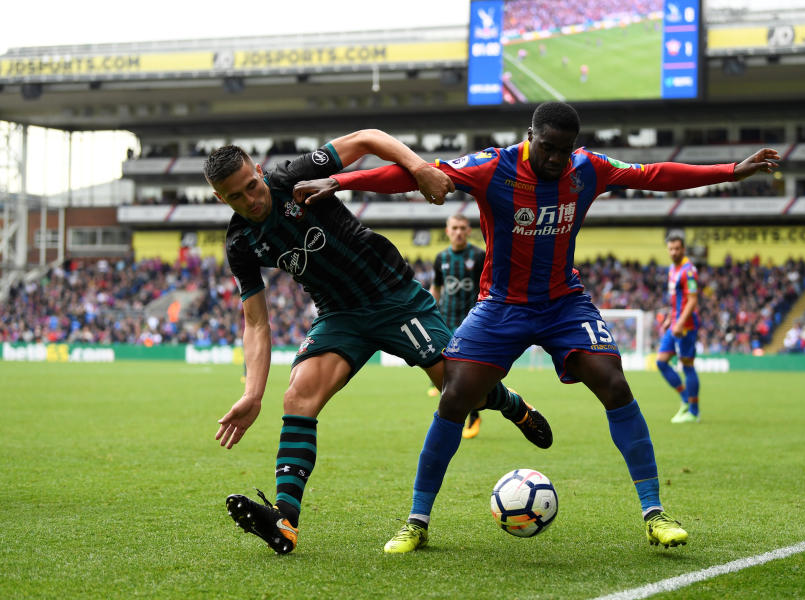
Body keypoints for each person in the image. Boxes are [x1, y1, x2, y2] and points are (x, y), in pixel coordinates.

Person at [295, 101, 780, 554]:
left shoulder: (587, 168)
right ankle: (417, 522)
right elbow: (420, 174)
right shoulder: (494, 166)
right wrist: (339, 183)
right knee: (455, 397)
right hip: (501, 305)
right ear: (531, 137)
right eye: (547, 147)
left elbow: (655, 174)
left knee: (613, 382)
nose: (554, 158)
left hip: (564, 303)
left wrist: (730, 171)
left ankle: (655, 513)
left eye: (563, 150)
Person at [203, 131, 553, 556]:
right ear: (222, 200)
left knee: (459, 388)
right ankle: (285, 520)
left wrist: (420, 168)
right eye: (236, 197)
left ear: (259, 171)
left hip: (394, 297)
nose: (251, 200)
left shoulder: (294, 177)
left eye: (252, 186)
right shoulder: (241, 243)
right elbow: (255, 322)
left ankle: (513, 406)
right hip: (339, 315)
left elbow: (368, 138)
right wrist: (252, 393)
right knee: (297, 397)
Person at [428, 214, 486, 439]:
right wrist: (429, 313)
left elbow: (486, 286)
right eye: (455, 228)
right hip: (446, 322)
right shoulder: (441, 257)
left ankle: (472, 416)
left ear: (469, 230)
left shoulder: (479, 256)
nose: (459, 232)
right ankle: (455, 416)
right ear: (448, 230)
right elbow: (437, 288)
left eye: (462, 228)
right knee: (448, 373)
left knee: (468, 374)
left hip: (472, 324)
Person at [655, 235, 702, 423]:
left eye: (677, 248)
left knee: (687, 365)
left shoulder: (688, 271)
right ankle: (685, 399)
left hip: (685, 326)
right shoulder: (672, 269)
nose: (674, 252)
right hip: (674, 322)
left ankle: (694, 412)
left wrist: (680, 323)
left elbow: (692, 300)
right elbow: (676, 300)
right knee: (661, 362)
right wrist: (669, 318)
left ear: (683, 249)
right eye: (671, 248)